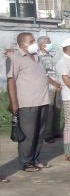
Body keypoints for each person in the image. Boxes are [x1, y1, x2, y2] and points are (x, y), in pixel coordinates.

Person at [5, 32, 51, 172]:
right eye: (31, 41)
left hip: (42, 100)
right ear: (22, 44)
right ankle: (26, 162)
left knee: (39, 133)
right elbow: (11, 81)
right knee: (28, 134)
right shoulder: (14, 58)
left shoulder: (37, 57)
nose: (34, 43)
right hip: (27, 102)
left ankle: (35, 159)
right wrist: (14, 103)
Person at [37, 36, 63, 142]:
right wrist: (54, 83)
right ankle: (47, 135)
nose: (50, 44)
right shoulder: (38, 57)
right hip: (48, 87)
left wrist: (59, 84)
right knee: (49, 111)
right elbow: (42, 74)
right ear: (41, 44)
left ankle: (56, 131)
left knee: (57, 109)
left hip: (57, 86)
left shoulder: (50, 55)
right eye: (48, 43)